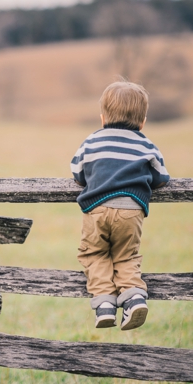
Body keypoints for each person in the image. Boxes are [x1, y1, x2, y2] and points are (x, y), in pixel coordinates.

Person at [70, 79, 170, 330]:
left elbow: (77, 172)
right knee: (126, 256)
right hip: (131, 210)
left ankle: (104, 304)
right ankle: (134, 297)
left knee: (94, 253)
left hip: (96, 209)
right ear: (142, 121)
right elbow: (161, 178)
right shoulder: (147, 145)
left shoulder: (92, 141)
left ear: (102, 118)